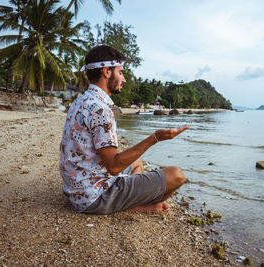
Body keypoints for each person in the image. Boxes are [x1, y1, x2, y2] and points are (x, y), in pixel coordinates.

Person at [59, 45, 189, 214]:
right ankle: (130, 204)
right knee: (177, 175)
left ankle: (131, 202)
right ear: (106, 72)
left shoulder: (81, 101)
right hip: (94, 197)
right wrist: (154, 138)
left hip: (76, 191)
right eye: (120, 72)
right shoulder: (100, 109)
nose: (124, 79)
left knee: (136, 163)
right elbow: (113, 167)